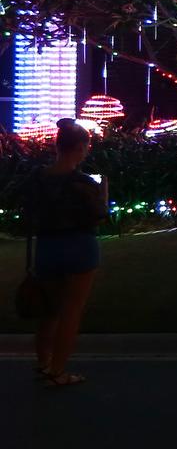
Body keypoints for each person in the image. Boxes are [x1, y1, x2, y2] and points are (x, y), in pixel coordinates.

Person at [27, 118, 108, 387]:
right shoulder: (83, 182)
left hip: (47, 247)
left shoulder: (39, 177)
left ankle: (43, 363)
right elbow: (98, 216)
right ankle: (58, 371)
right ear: (80, 148)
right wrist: (103, 193)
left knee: (48, 310)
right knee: (71, 311)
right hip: (79, 248)